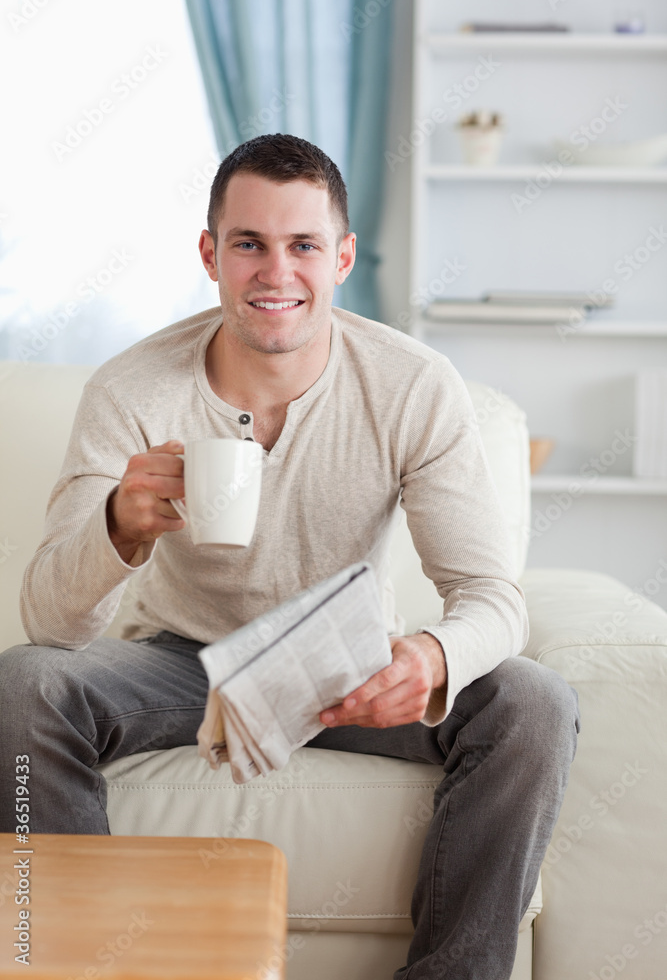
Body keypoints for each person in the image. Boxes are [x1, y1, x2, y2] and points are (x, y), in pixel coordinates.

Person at [0, 133, 579, 979]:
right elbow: (49, 621)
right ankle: (72, 962)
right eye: (249, 245)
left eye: (303, 245)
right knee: (24, 683)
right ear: (211, 254)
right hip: (180, 662)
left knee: (532, 701)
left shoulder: (411, 385)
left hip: (344, 660)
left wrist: (428, 655)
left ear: (341, 257)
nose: (276, 273)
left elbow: (492, 595)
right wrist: (118, 527)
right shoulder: (130, 388)